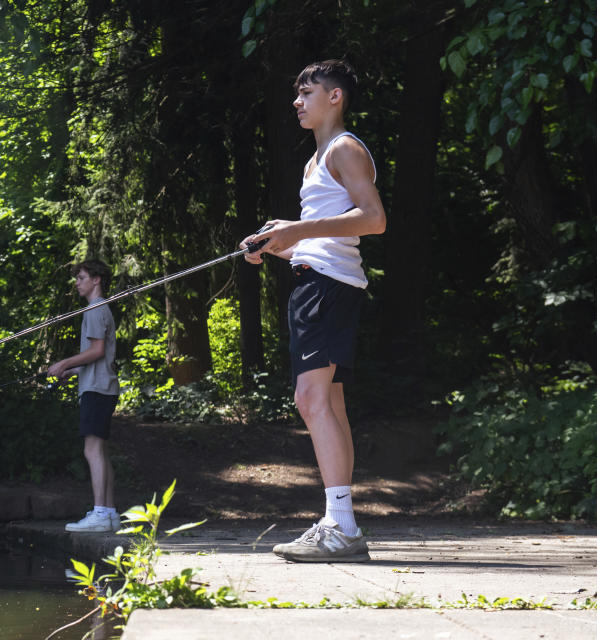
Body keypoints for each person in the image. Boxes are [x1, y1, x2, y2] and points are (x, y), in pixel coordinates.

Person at [241, 59, 386, 562]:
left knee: (310, 400)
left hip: (327, 289)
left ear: (335, 98)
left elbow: (373, 220)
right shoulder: (317, 158)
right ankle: (339, 523)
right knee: (329, 404)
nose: (297, 101)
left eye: (308, 92)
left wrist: (296, 231)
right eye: (296, 94)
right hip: (322, 280)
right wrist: (276, 243)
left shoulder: (344, 147)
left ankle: (341, 527)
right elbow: (323, 237)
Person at [48, 259, 122, 533]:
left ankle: (101, 513)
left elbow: (97, 351)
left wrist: (64, 363)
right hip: (101, 386)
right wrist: (73, 370)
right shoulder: (100, 309)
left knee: (91, 450)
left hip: (97, 390)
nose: (77, 283)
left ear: (96, 280)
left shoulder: (94, 308)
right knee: (99, 450)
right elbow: (98, 358)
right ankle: (110, 512)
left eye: (81, 277)